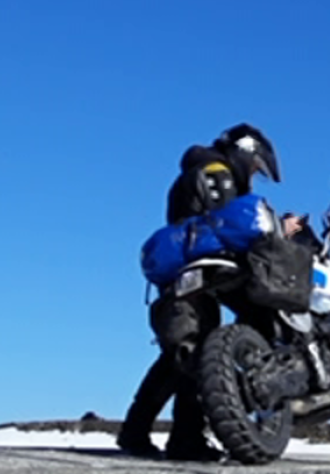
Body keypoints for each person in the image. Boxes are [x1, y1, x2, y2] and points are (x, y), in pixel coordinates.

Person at [116, 123, 282, 461]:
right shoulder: (215, 171)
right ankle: (181, 439)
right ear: (245, 150)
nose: (253, 172)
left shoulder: (202, 169)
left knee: (182, 358)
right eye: (254, 164)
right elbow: (227, 221)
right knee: (195, 355)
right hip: (194, 278)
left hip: (190, 279)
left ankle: (149, 434)